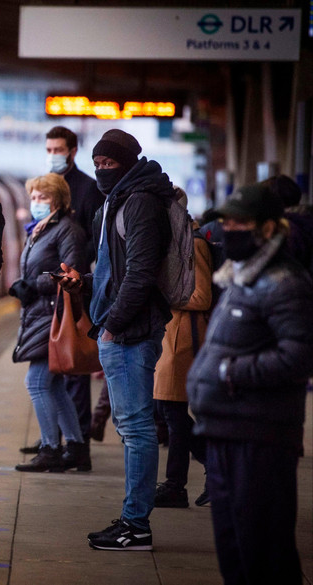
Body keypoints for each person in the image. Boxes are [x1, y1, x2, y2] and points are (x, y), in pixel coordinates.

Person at [187, 183, 313, 584]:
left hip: (258, 437)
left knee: (264, 552)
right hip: (225, 429)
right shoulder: (241, 276)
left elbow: (299, 356)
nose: (229, 229)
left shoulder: (284, 283)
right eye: (227, 221)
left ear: (267, 229)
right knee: (236, 550)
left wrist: (229, 372)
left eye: (240, 222)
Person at [55, 129, 173, 551]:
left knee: (137, 428)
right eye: (98, 164)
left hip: (129, 332)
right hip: (121, 327)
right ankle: (130, 518)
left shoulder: (139, 202)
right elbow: (114, 273)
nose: (102, 171)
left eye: (110, 164)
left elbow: (140, 274)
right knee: (132, 428)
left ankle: (136, 526)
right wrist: (82, 282)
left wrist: (112, 325)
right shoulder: (119, 200)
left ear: (128, 163)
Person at [19, 127, 105, 453]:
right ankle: (66, 443)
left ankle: (63, 444)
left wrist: (41, 283)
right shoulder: (44, 222)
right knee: (55, 379)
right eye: (49, 148)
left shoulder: (86, 192)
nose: (53, 154)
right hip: (45, 306)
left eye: (58, 149)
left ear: (72, 150)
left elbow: (84, 253)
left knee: (66, 373)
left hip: (67, 298)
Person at [10, 173, 89, 473]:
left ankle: (50, 449)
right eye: (33, 197)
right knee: (54, 386)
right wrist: (24, 284)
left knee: (37, 382)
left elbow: (70, 270)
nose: (36, 202)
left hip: (54, 314)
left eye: (43, 197)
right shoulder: (41, 230)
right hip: (41, 313)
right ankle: (77, 448)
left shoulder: (67, 229)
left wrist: (34, 285)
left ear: (58, 199)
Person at [152, 189, 211, 509]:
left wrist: (165, 296)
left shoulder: (195, 243)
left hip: (184, 338)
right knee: (167, 412)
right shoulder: (173, 242)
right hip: (169, 335)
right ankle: (202, 473)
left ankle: (178, 484)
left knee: (173, 412)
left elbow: (202, 297)